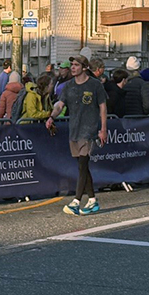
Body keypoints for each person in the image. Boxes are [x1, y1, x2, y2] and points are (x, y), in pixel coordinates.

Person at [50, 56, 107, 214]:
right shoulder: (69, 86)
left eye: (76, 65)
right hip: (74, 130)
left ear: (84, 67)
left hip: (89, 130)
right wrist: (51, 117)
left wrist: (103, 129)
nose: (73, 68)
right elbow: (60, 105)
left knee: (82, 164)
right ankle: (93, 200)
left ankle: (76, 201)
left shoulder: (94, 84)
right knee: (83, 167)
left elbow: (103, 107)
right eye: (72, 65)